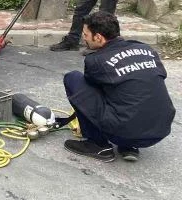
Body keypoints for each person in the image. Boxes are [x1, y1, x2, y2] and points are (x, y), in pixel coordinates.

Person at [63, 11, 174, 162]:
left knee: (73, 79)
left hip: (124, 132)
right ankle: (129, 146)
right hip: (161, 129)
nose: (84, 38)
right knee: (132, 88)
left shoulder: (95, 60)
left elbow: (93, 91)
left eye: (86, 34)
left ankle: (98, 145)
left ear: (98, 37)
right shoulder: (146, 49)